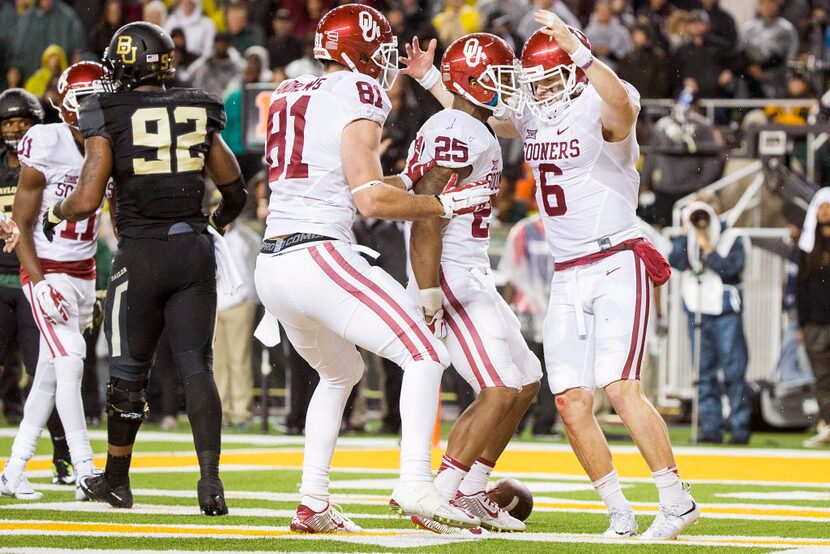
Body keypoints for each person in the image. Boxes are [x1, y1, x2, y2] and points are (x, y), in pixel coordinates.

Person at [401, 9, 698, 540]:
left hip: (615, 257)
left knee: (621, 384)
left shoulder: (600, 101)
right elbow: (476, 111)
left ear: (577, 69)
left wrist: (581, 52)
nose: (539, 91)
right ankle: (619, 513)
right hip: (568, 270)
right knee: (567, 398)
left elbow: (624, 105)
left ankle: (677, 501)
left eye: (549, 78)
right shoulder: (538, 109)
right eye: (532, 82)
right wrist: (430, 78)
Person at [253, 4, 490, 534]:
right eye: (378, 53)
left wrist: (406, 179)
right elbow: (367, 200)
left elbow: (343, 177)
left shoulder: (292, 90)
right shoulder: (359, 92)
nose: (383, 66)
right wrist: (446, 205)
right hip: (318, 255)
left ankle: (312, 503)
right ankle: (415, 481)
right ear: (358, 52)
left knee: (341, 372)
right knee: (428, 354)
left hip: (273, 262)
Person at [42, 22, 247, 516]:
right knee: (197, 366)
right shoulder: (199, 105)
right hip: (192, 250)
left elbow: (89, 197)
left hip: (142, 253)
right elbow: (235, 190)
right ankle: (211, 484)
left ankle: (115, 481)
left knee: (129, 372)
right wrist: (208, 226)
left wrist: (57, 213)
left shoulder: (105, 111)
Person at [406, 32, 541, 534]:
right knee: (500, 386)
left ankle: (470, 489)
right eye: (499, 78)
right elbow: (424, 211)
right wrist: (427, 289)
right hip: (449, 272)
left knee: (526, 378)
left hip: (471, 269)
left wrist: (429, 78)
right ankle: (439, 496)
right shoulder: (458, 128)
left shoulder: (469, 123)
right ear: (474, 81)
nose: (507, 87)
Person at [0, 63, 110, 502]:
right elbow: (21, 224)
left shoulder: (112, 140)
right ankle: (85, 470)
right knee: (71, 361)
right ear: (64, 111)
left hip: (85, 273)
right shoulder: (44, 142)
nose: (91, 115)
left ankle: (13, 470)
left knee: (47, 374)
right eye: (83, 106)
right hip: (47, 268)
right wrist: (38, 281)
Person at [0, 88, 75, 487]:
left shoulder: (46, 161)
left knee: (46, 371)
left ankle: (62, 456)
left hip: (34, 279)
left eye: (22, 122)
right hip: (0, 281)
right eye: (8, 123)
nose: (15, 129)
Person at [668, 199, 751, 445]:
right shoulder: (689, 236)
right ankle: (711, 428)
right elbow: (676, 261)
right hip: (697, 311)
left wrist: (709, 250)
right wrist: (685, 235)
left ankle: (739, 428)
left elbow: (732, 268)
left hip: (726, 312)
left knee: (734, 372)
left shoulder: (732, 236)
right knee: (704, 373)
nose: (701, 222)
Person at [797, 188, 830, 448]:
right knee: (821, 375)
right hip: (815, 321)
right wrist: (800, 322)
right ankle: (827, 423)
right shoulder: (807, 245)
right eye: (822, 206)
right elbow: (800, 286)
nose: (826, 211)